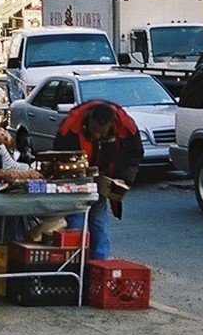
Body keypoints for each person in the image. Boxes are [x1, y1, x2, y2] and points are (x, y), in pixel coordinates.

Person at [52, 101, 140, 261]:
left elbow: (133, 155)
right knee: (77, 219)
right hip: (76, 180)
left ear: (111, 124)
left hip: (103, 180)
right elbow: (59, 156)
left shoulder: (124, 127)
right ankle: (76, 263)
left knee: (98, 219)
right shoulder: (71, 126)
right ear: (89, 119)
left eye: (102, 132)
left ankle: (99, 263)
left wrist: (122, 179)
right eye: (95, 131)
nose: (98, 136)